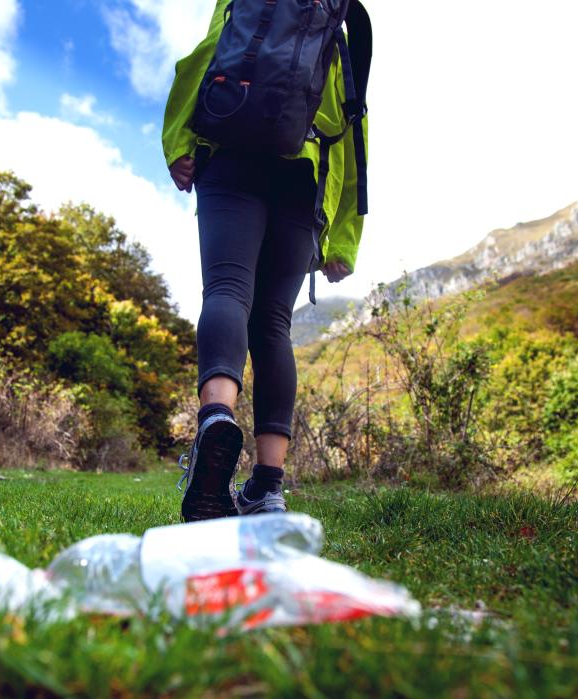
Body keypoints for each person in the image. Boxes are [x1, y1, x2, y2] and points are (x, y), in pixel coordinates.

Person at [162, 0, 368, 521]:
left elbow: (205, 57)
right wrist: (343, 236)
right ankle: (267, 485)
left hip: (231, 149)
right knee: (274, 325)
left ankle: (215, 419)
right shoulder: (338, 21)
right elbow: (355, 128)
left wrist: (179, 139)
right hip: (304, 176)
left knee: (228, 290)